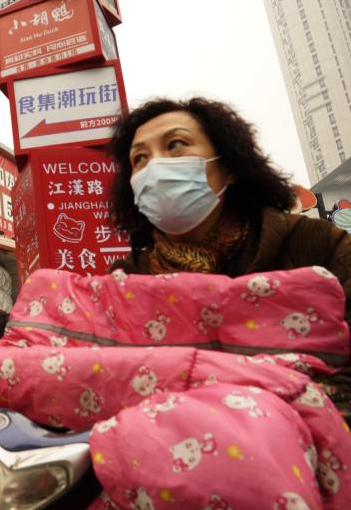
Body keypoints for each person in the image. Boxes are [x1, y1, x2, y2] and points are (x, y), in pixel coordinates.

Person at [107, 96, 351, 412]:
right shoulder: (126, 282)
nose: (154, 166)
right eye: (140, 158)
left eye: (176, 145)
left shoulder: (316, 245)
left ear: (229, 167)